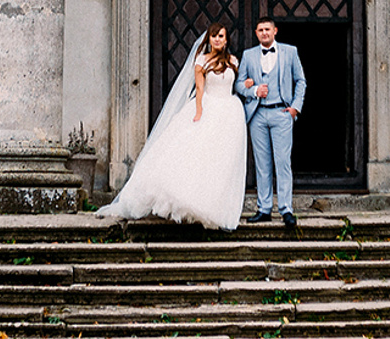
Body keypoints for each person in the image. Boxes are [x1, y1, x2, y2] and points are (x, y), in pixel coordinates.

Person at [101, 24, 250, 229]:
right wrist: (199, 111)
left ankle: (214, 203)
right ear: (209, 39)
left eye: (221, 36)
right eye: (214, 36)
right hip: (209, 106)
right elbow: (199, 87)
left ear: (226, 40)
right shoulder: (201, 61)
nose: (217, 39)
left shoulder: (233, 61)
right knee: (195, 154)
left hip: (229, 111)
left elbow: (236, 84)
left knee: (221, 158)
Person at [237, 19, 307, 228]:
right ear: (256, 33)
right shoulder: (248, 55)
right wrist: (253, 91)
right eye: (260, 30)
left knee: (283, 162)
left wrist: (295, 107)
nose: (264, 33)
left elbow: (300, 81)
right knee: (262, 164)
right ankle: (264, 208)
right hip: (257, 115)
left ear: (275, 31)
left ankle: (286, 209)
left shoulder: (290, 52)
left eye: (267, 29)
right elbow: (239, 84)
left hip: (281, 112)